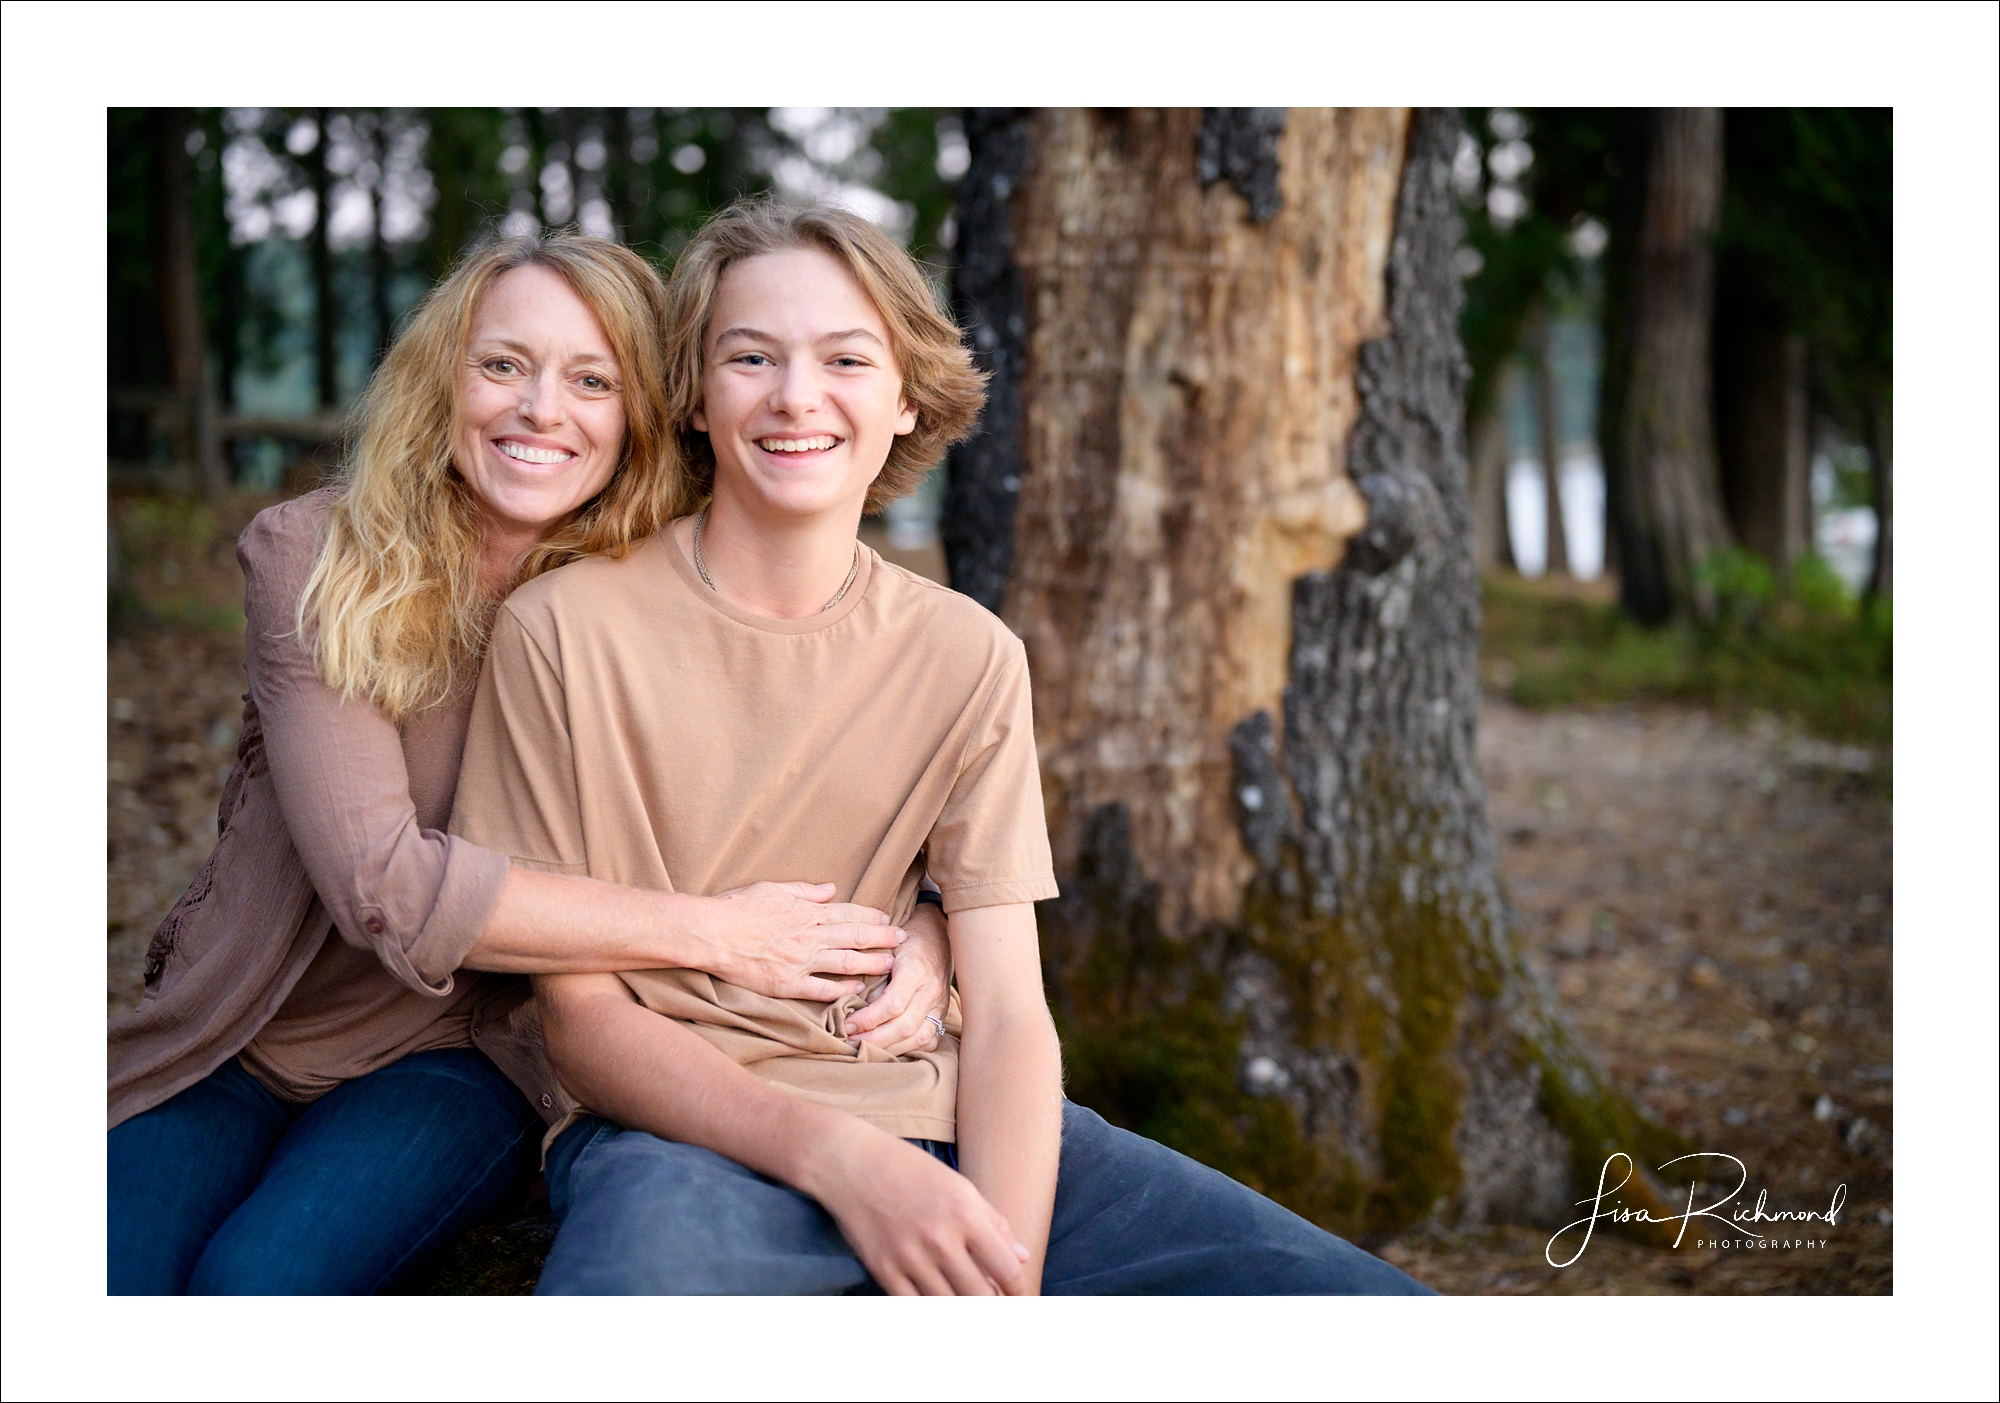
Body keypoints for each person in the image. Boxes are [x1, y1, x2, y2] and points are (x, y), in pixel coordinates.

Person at [450, 200, 1432, 1295]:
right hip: (683, 1143)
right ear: (689, 392)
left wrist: (997, 1275)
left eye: (845, 358)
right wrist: (844, 1159)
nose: (794, 395)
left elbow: (1010, 1014)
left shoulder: (969, 653)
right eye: (749, 356)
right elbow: (581, 1022)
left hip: (944, 1112)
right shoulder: (564, 630)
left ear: (906, 393)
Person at [106, 232, 953, 1296]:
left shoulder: (656, 589)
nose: (540, 409)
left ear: (642, 411)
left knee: (259, 1282)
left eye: (591, 379)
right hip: (247, 1039)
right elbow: (383, 884)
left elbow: (849, 753)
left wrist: (931, 918)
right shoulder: (316, 553)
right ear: (441, 379)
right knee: (108, 1272)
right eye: (502, 363)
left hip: (465, 1055)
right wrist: (716, 930)